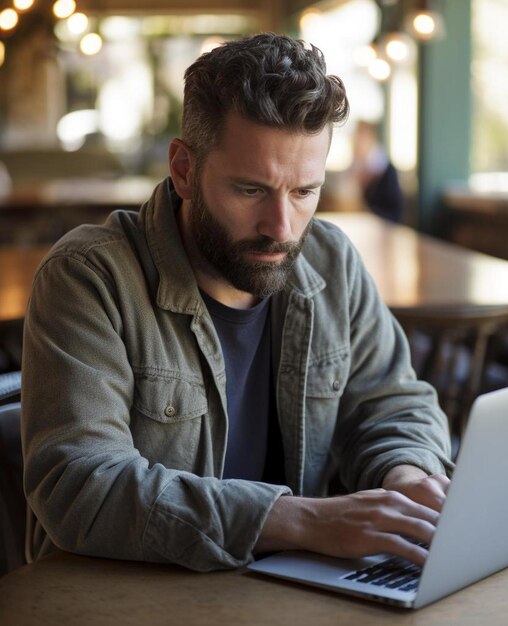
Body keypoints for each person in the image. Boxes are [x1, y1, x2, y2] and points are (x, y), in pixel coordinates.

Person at [21, 33, 453, 572]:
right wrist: (307, 521)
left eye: (304, 192)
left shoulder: (331, 260)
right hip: (130, 598)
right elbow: (82, 485)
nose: (281, 228)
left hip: (291, 594)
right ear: (183, 169)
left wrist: (406, 479)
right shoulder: (90, 277)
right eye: (250, 190)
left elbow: (393, 402)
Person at [351, 119, 404, 223]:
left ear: (372, 138)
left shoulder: (384, 168)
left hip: (386, 225)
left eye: (361, 137)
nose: (356, 141)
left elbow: (394, 213)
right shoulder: (362, 164)